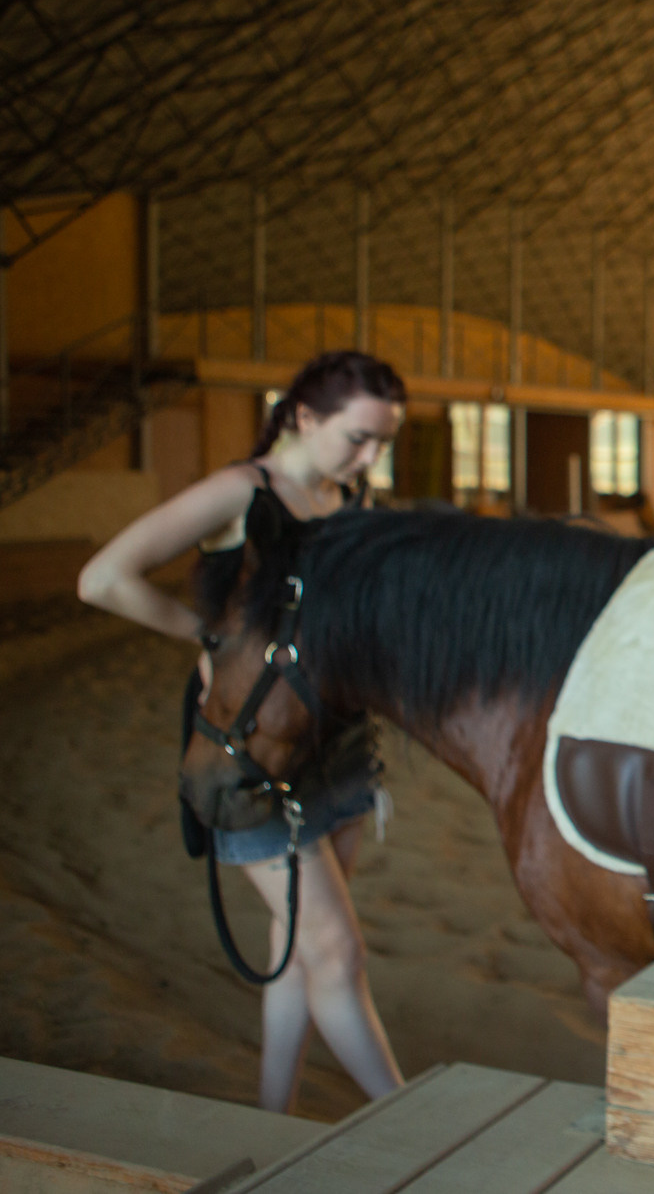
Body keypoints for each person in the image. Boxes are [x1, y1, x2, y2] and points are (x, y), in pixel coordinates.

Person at [78, 350, 408, 1113]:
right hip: (251, 755)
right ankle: (409, 1114)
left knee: (296, 950)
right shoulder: (240, 491)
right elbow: (101, 579)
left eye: (383, 442)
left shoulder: (346, 496)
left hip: (340, 748)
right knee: (335, 949)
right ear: (301, 415)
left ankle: (270, 1118)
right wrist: (210, 637)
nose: (371, 458)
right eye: (359, 437)